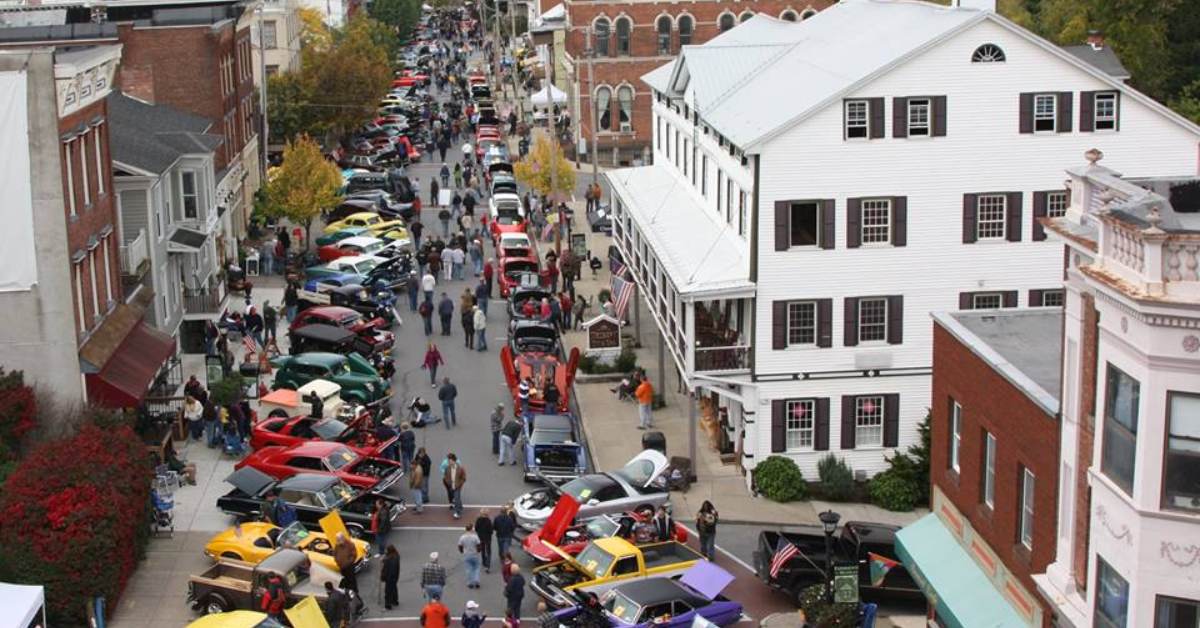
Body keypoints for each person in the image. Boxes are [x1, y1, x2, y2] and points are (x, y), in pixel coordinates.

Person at [459, 523, 482, 588]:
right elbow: (479, 545)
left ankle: (470, 583)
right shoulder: (475, 536)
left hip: (467, 554)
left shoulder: (462, 537)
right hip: (474, 554)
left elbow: (460, 545)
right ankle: (476, 581)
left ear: (466, 529)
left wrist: (462, 551)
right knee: (476, 568)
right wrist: (478, 551)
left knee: (468, 569)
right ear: (472, 529)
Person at [442, 453, 466, 519]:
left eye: (450, 461)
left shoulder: (460, 468)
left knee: (456, 498)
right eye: (448, 461)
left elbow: (463, 477)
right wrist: (448, 482)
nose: (448, 462)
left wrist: (459, 484)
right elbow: (445, 476)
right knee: (456, 497)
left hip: (457, 486)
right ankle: (460, 506)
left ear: (454, 460)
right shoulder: (447, 468)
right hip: (451, 486)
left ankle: (457, 513)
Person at [474, 508, 494, 573]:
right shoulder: (488, 521)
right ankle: (488, 566)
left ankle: (483, 561)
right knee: (488, 551)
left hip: (480, 537)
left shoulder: (478, 520)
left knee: (482, 550)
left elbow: (476, 528)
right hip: (487, 538)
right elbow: (491, 531)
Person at [381, 544, 401, 610]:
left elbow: (387, 569)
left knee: (388, 591)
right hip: (395, 576)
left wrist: (384, 577)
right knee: (394, 588)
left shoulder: (389, 559)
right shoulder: (396, 556)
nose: (385, 551)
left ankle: (388, 605)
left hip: (389, 577)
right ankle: (395, 601)